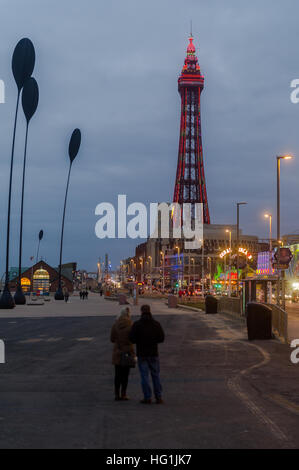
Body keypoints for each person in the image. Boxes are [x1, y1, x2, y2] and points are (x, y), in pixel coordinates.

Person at [129, 305, 165, 405]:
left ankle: (147, 397)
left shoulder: (137, 324)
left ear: (141, 312)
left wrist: (139, 341)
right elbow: (161, 338)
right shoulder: (156, 324)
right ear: (149, 311)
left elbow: (131, 338)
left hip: (142, 353)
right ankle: (158, 397)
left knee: (144, 376)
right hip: (153, 353)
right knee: (155, 375)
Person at [110, 307, 135, 401]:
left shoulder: (115, 325)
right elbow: (133, 338)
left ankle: (116, 394)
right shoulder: (131, 325)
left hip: (117, 352)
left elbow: (112, 339)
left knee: (117, 374)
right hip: (128, 352)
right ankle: (123, 394)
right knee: (125, 374)